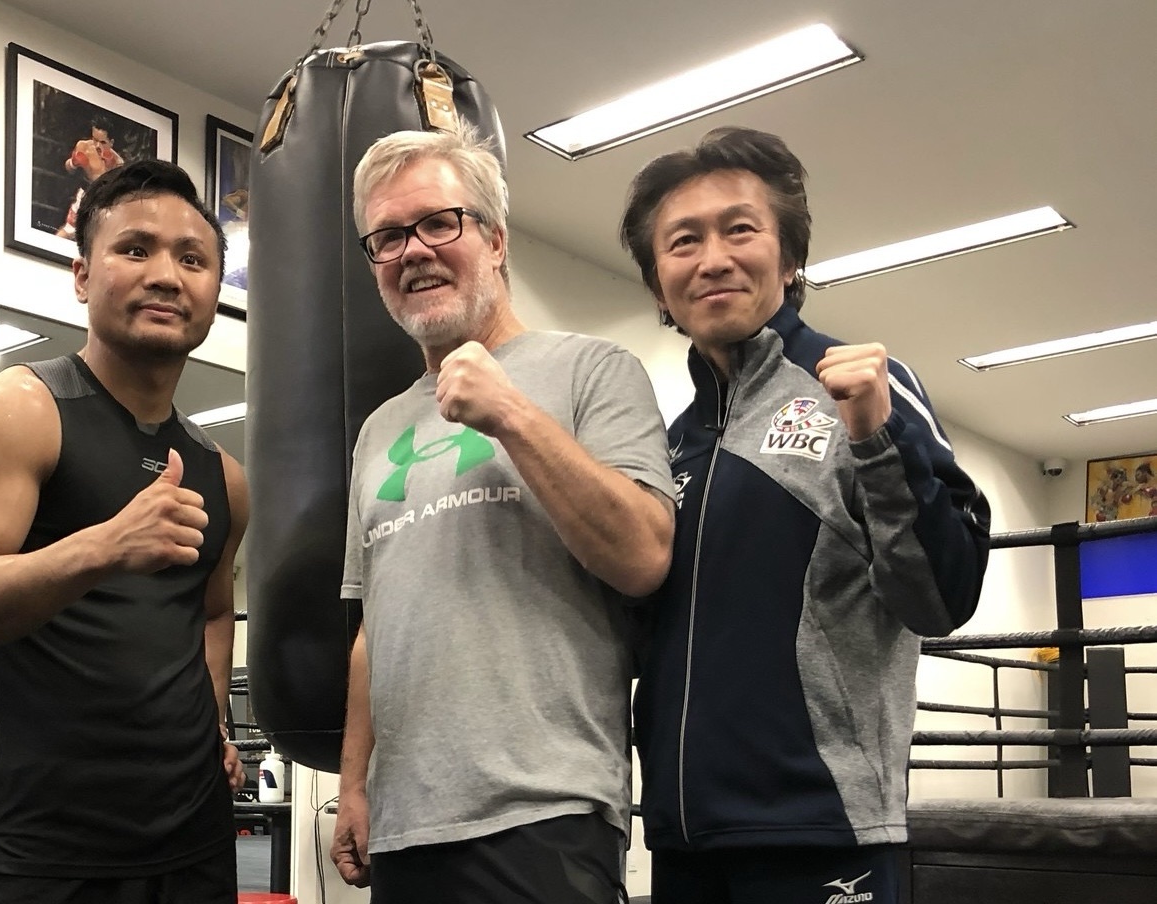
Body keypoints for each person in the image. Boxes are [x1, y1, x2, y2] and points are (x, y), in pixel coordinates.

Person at [619, 126, 992, 904]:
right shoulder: (672, 443)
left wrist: (877, 439)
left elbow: (942, 598)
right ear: (659, 285)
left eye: (739, 229)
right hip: (685, 838)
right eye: (683, 241)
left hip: (820, 829)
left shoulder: (861, 390)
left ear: (788, 260)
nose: (712, 258)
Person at [329, 120, 676, 904]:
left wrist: (512, 415)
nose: (413, 250)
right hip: (406, 823)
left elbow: (645, 556)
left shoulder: (593, 370)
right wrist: (354, 783)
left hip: (544, 809)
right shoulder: (379, 430)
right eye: (388, 237)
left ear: (495, 239)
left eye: (438, 223)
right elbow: (374, 627)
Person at [0, 158, 247, 904]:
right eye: (135, 249)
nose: (165, 276)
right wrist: (105, 546)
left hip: (195, 844)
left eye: (192, 259)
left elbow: (212, 612)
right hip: (45, 851)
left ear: (212, 293)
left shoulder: (222, 474)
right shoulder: (16, 411)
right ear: (82, 275)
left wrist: (216, 724)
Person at [56, 119, 125, 238]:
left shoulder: (117, 163)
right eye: (95, 140)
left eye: (103, 142)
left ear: (111, 142)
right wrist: (73, 162)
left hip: (104, 202)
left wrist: (109, 172)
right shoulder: (84, 147)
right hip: (84, 195)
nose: (97, 146)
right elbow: (68, 168)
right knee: (67, 231)